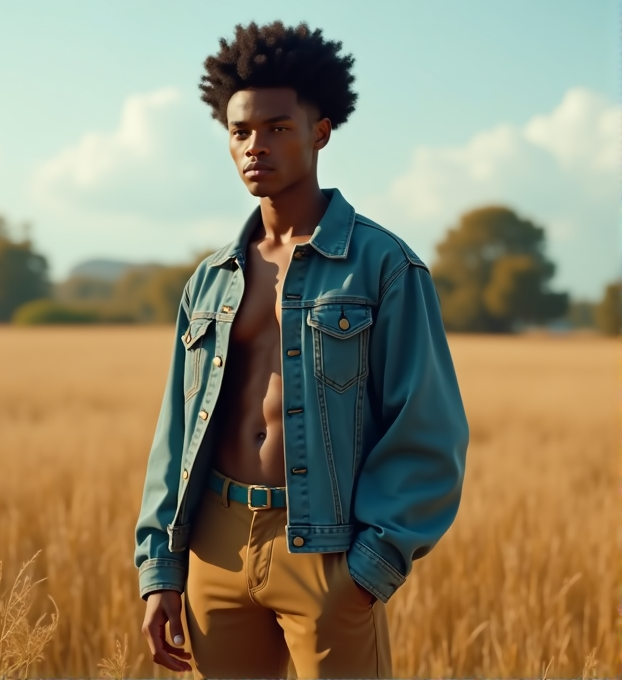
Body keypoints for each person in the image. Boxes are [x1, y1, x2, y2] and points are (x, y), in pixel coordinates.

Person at [134, 20, 469, 680]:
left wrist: (369, 569)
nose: (256, 145)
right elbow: (175, 432)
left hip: (325, 552)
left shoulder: (385, 266)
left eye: (278, 127)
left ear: (320, 131)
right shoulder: (211, 280)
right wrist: (161, 567)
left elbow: (427, 427)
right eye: (241, 132)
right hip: (215, 548)